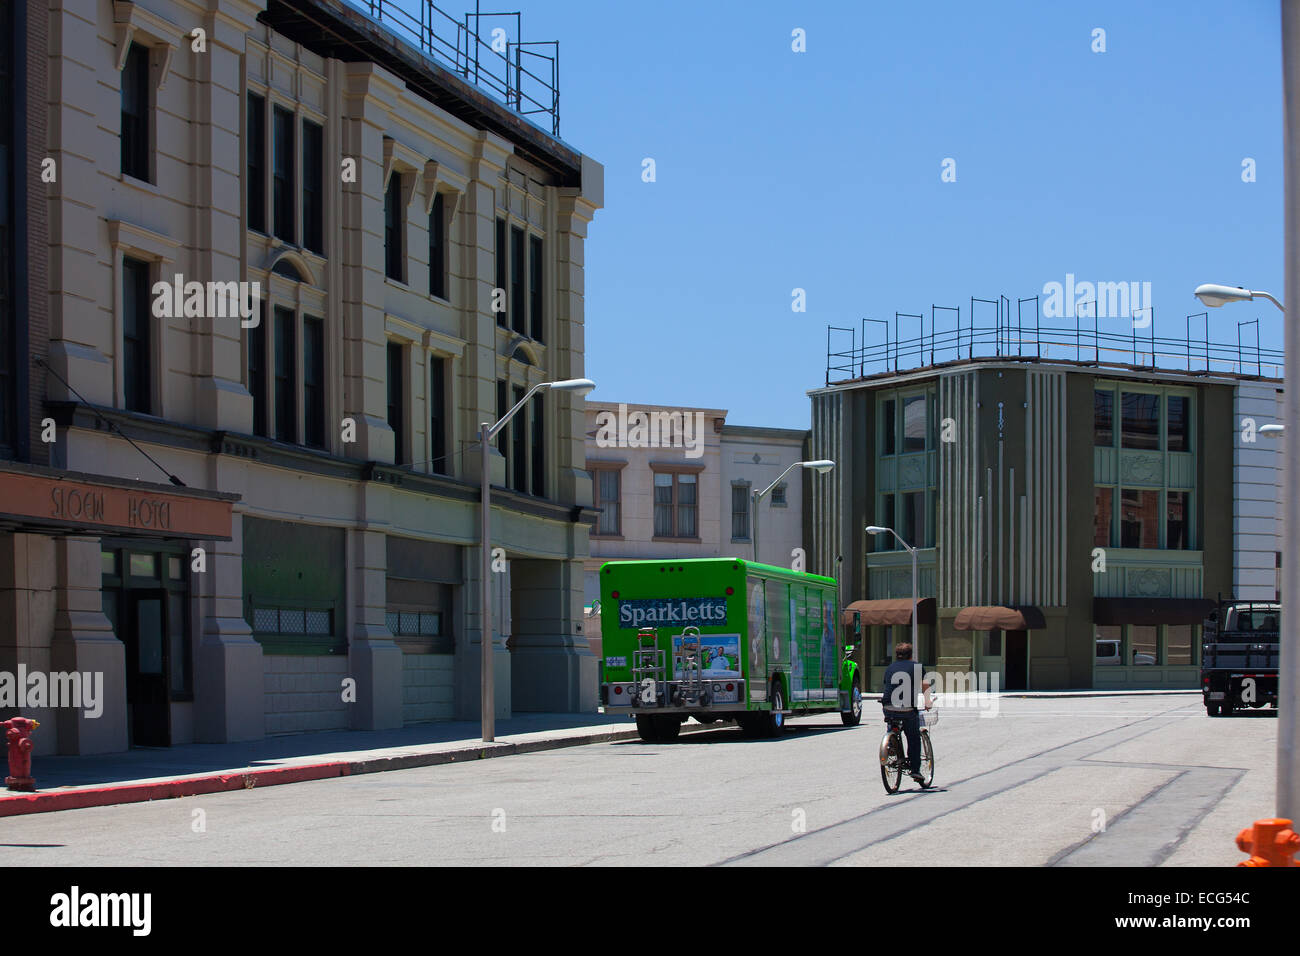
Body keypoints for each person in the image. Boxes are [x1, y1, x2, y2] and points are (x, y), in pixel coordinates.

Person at [881, 642, 933, 783]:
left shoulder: (890, 668)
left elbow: (887, 685)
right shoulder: (917, 667)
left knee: (892, 721)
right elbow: (925, 685)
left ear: (896, 655)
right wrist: (927, 701)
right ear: (911, 655)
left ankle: (891, 745)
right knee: (913, 737)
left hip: (888, 707)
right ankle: (915, 770)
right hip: (907, 709)